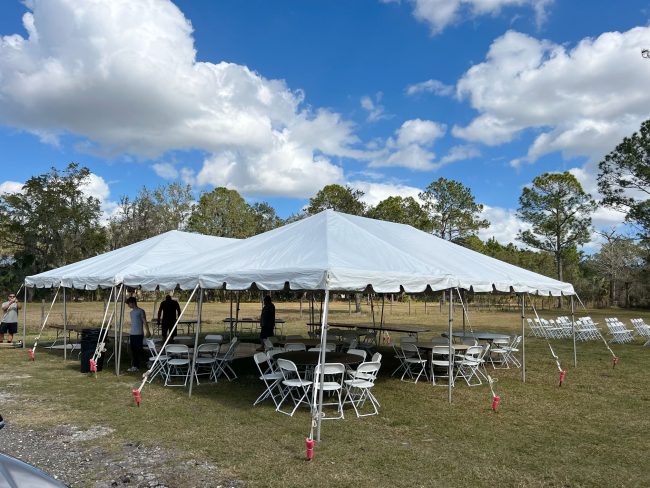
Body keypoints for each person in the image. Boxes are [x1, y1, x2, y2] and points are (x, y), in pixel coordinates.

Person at [126, 296, 149, 372]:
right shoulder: (131, 312)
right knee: (133, 350)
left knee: (139, 349)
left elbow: (144, 321)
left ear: (132, 303)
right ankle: (135, 366)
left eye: (129, 304)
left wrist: (147, 331)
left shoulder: (141, 311)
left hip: (139, 333)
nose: (128, 305)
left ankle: (148, 360)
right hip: (132, 333)